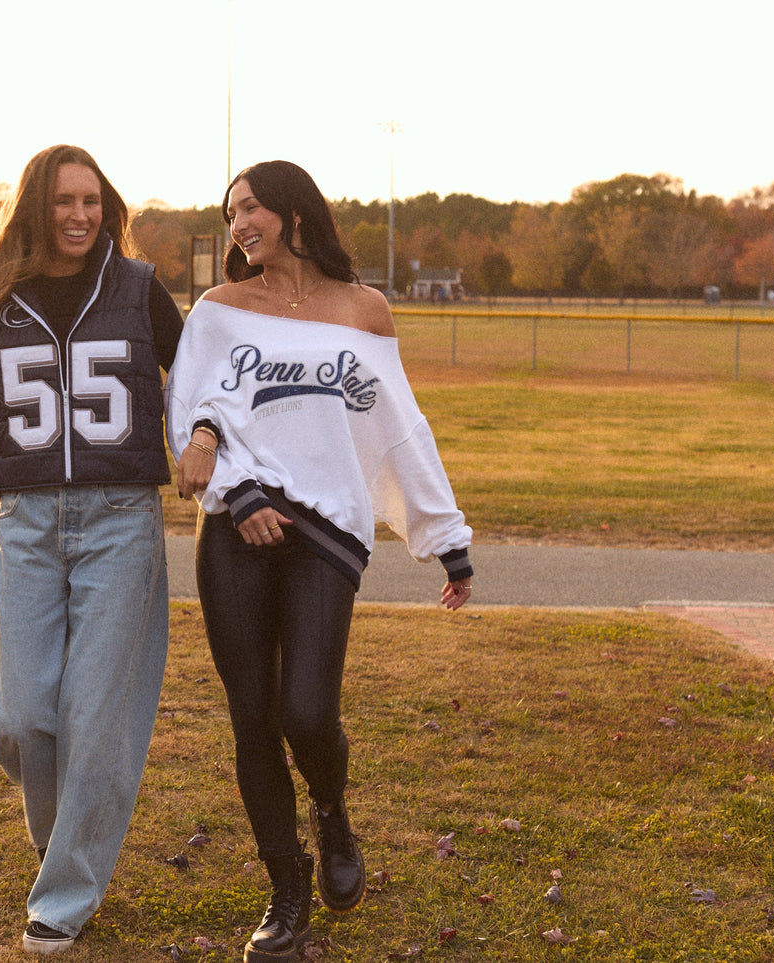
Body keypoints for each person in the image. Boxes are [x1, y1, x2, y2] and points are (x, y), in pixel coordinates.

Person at [164, 160, 474, 963]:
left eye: (251, 207)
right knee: (252, 717)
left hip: (326, 533)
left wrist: (445, 535)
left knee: (306, 711)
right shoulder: (218, 311)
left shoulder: (362, 311)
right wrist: (235, 490)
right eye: (230, 212)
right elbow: (192, 413)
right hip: (235, 529)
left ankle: (330, 809)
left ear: (295, 211)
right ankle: (285, 892)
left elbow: (401, 426)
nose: (238, 224)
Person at [0, 144, 183, 955]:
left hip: (119, 521)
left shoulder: (138, 291)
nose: (79, 215)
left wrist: (215, 443)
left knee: (95, 718)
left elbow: (203, 377)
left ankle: (63, 894)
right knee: (24, 721)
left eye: (91, 201)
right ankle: (60, 840)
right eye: (64, 201)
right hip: (27, 525)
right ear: (37, 208)